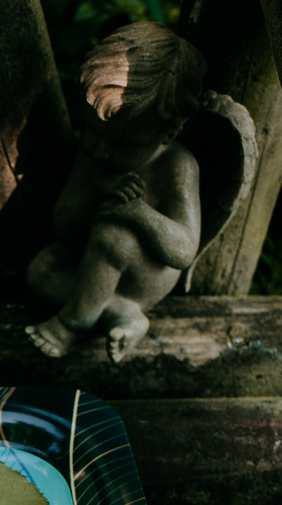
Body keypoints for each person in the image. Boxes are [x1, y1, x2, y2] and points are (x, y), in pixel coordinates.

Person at [25, 22, 206, 364]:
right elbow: (63, 225)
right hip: (90, 269)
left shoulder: (177, 165)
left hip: (144, 275)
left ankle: (71, 323)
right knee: (41, 269)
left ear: (170, 131)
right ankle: (121, 313)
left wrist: (138, 214)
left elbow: (183, 250)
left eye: (122, 143)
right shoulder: (94, 157)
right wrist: (96, 190)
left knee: (114, 236)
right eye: (90, 131)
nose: (99, 149)